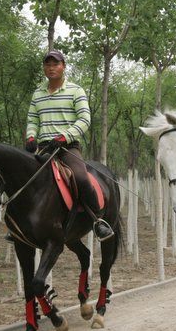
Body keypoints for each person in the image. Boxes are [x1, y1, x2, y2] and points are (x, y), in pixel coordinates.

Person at [24, 49, 114, 241]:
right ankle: (20, 224)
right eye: (47, 64)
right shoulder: (38, 93)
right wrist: (31, 137)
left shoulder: (75, 90)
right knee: (24, 179)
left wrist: (65, 136)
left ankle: (98, 221)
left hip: (67, 147)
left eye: (55, 64)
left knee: (81, 177)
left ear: (63, 66)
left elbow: (84, 119)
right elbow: (32, 120)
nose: (51, 68)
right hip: (44, 148)